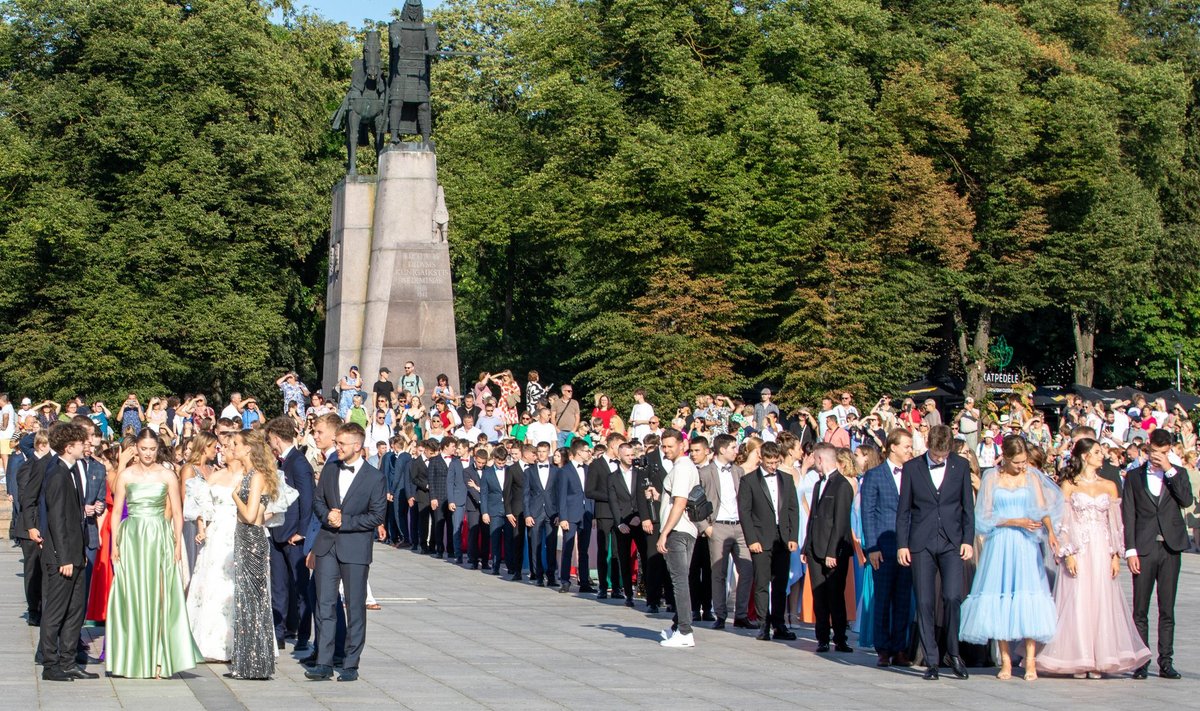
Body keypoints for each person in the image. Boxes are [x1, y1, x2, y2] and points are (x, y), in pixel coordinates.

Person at [1039, 437, 1151, 678]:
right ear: (1084, 456)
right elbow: (1062, 522)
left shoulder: (1109, 485)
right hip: (1079, 547)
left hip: (1101, 547)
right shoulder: (1069, 485)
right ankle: (1080, 656)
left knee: (1101, 598)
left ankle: (1101, 656)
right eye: (1098, 452)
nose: (1102, 456)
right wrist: (1067, 552)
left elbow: (1115, 524)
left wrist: (1114, 555)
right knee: (1077, 599)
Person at [959, 436, 1061, 680]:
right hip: (1001, 542)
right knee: (1000, 596)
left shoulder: (1031, 477)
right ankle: (1005, 660)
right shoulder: (991, 478)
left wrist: (1051, 532)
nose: (1021, 466)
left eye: (1024, 461)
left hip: (1025, 545)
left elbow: (1042, 507)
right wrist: (1015, 521)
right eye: (1016, 462)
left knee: (1027, 597)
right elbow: (983, 517)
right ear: (1004, 458)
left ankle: (1030, 660)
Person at [106, 429, 202, 679]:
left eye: (152, 449)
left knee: (161, 596)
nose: (148, 453)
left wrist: (178, 545)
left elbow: (178, 513)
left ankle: (159, 658)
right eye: (143, 448)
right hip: (132, 538)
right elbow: (116, 512)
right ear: (135, 448)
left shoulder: (167, 474)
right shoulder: (126, 474)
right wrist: (114, 544)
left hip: (159, 536)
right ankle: (132, 657)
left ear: (157, 448)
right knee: (132, 594)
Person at [305, 422, 387, 683]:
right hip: (327, 545)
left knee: (355, 607)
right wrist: (328, 515)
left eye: (341, 444)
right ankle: (324, 662)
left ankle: (351, 663)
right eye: (337, 442)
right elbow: (317, 501)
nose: (337, 447)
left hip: (355, 549)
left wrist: (346, 521)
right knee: (325, 605)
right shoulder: (330, 469)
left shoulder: (375, 478)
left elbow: (376, 516)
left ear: (357, 446)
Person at [896, 424, 975, 681]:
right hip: (921, 542)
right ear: (928, 445)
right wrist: (902, 544)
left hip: (952, 541)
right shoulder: (912, 468)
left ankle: (953, 652)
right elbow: (904, 510)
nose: (940, 458)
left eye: (944, 455)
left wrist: (967, 539)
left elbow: (967, 507)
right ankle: (931, 660)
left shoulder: (960, 466)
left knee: (953, 596)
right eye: (936, 454)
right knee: (925, 601)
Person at [1122, 427, 1193, 680]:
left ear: (1169, 451)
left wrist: (1170, 470)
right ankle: (1141, 660)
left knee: (1167, 608)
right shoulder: (1134, 477)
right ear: (1147, 448)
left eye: (1163, 452)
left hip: (1170, 548)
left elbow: (1186, 501)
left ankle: (1166, 661)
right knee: (1140, 608)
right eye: (1154, 451)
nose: (1157, 456)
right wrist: (1130, 550)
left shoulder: (1179, 473)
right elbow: (1128, 514)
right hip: (1144, 547)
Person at [38, 423, 97, 681]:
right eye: (80, 443)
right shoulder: (57, 474)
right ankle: (51, 664)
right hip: (62, 558)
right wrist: (64, 558)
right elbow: (57, 520)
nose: (85, 447)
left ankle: (68, 661)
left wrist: (79, 551)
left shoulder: (71, 471)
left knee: (75, 611)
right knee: (55, 612)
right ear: (68, 447)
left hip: (75, 553)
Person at [227, 431, 279, 680]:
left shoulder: (256, 476)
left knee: (253, 602)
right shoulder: (250, 475)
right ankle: (251, 662)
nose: (232, 447)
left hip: (252, 540)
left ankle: (254, 663)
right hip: (246, 539)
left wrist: (234, 496)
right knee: (247, 601)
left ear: (248, 448)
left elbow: (249, 516)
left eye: (236, 444)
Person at [860, 429, 914, 667]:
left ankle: (899, 647)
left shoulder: (913, 473)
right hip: (883, 546)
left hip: (908, 546)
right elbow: (867, 513)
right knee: (882, 599)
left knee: (903, 599)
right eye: (907, 446)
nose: (910, 451)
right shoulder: (875, 475)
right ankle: (882, 648)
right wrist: (871, 547)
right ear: (893, 447)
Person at [185, 441, 241, 662]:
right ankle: (205, 642)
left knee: (232, 583)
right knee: (211, 581)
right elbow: (201, 504)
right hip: (216, 532)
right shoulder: (216, 476)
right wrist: (201, 528)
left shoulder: (249, 476)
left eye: (227, 448)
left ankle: (236, 641)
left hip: (237, 531)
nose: (222, 451)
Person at [264, 417, 314, 654]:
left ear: (275, 436)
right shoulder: (279, 462)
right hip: (276, 532)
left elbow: (307, 500)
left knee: (300, 586)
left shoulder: (299, 462)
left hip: (294, 534)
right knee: (278, 586)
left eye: (269, 439)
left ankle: (303, 635)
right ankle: (279, 632)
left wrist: (302, 533)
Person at [699, 433, 753, 629]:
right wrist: (705, 527)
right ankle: (720, 614)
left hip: (739, 526)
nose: (736, 451)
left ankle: (741, 614)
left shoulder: (738, 472)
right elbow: (695, 501)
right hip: (718, 525)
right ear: (722, 449)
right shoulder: (705, 473)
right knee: (718, 573)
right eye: (733, 448)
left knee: (747, 570)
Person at [800, 443, 852, 651]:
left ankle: (840, 638)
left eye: (815, 459)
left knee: (835, 595)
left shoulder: (842, 485)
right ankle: (822, 638)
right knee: (818, 594)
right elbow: (813, 516)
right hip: (814, 548)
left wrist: (832, 551)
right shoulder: (818, 484)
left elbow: (841, 522)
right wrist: (806, 546)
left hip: (834, 551)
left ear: (820, 459)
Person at [657, 429, 702, 648]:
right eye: (663, 446)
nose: (666, 450)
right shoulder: (680, 467)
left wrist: (665, 532)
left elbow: (680, 502)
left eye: (670, 446)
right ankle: (678, 626)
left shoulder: (683, 467)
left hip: (678, 530)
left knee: (679, 580)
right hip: (683, 529)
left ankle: (685, 631)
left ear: (681, 445)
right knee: (680, 578)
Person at [557, 438, 594, 594]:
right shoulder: (565, 471)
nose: (589, 453)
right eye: (586, 450)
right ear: (579, 452)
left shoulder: (588, 469)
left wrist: (593, 514)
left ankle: (584, 581)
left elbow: (590, 494)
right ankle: (565, 581)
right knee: (568, 547)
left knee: (583, 550)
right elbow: (562, 495)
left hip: (586, 514)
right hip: (571, 514)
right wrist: (563, 517)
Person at [524, 442, 558, 587]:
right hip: (535, 512)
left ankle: (551, 576)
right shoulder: (529, 471)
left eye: (544, 451)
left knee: (551, 544)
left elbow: (559, 494)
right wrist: (527, 514)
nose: (542, 454)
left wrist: (559, 514)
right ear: (536, 453)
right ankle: (538, 575)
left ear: (549, 452)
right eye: (539, 451)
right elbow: (525, 495)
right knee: (535, 544)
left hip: (552, 512)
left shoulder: (556, 471)